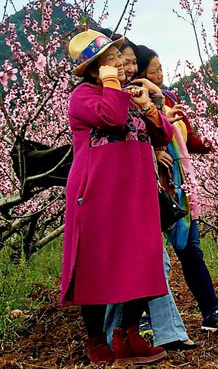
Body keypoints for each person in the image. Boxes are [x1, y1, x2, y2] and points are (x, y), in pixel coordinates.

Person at [61, 29, 175, 365]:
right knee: (96, 264)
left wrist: (148, 108)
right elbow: (110, 119)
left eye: (120, 58)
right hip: (97, 195)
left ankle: (127, 334)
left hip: (136, 195)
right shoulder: (83, 96)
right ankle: (97, 339)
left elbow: (163, 135)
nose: (121, 64)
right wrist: (114, 86)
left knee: (145, 258)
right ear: (95, 68)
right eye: (111, 60)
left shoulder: (127, 95)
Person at [102, 37, 200, 352]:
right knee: (145, 261)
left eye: (131, 61)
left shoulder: (136, 96)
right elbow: (114, 128)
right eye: (123, 60)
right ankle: (122, 332)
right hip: (117, 192)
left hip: (144, 190)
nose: (127, 67)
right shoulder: (103, 98)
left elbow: (161, 133)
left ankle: (141, 331)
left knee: (153, 261)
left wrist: (153, 105)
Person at [138, 46, 218, 332]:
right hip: (148, 183)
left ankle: (212, 312)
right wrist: (152, 151)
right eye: (154, 70)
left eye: (161, 68)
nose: (160, 74)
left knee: (191, 250)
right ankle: (143, 317)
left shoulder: (170, 99)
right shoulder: (134, 101)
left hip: (178, 185)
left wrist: (216, 146)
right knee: (147, 252)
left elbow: (188, 138)